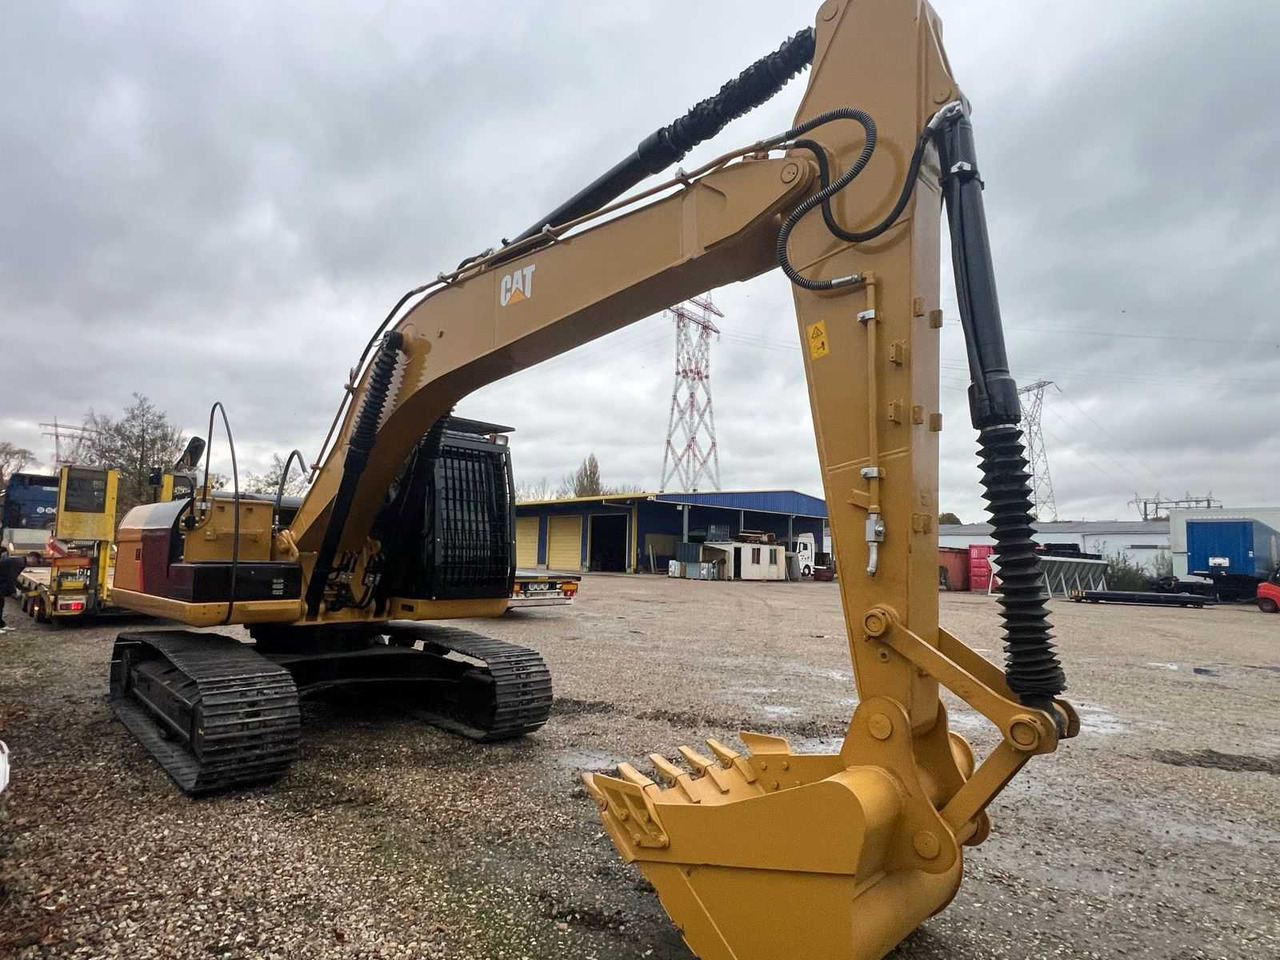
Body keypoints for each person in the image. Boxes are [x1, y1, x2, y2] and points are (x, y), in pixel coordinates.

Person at [0, 548, 32, 633]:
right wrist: (13, 592)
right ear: (32, 558)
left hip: (1, 582)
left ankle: (1, 625)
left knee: (1, 604)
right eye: (37, 562)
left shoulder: (20, 561)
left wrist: (22, 588)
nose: (37, 564)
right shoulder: (19, 563)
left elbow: (14, 579)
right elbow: (11, 578)